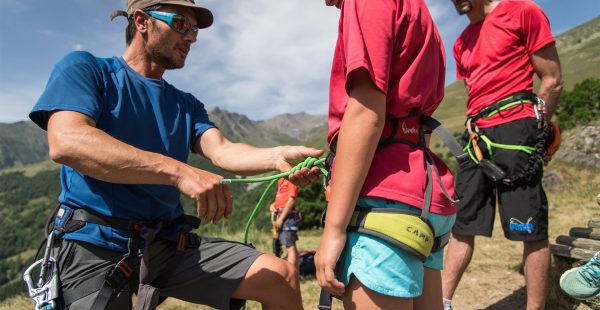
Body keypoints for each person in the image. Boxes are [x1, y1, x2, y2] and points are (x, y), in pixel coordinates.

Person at [27, 0, 323, 309]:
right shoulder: (86, 68)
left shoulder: (186, 104)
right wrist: (180, 172)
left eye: (195, 29)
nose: (192, 37)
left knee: (280, 276)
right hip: (94, 243)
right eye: (182, 24)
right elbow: (67, 140)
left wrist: (277, 157)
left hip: (168, 245)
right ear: (142, 21)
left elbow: (222, 150)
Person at [315, 0, 458, 309]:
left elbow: (366, 112)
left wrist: (334, 229)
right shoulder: (418, 10)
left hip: (384, 199)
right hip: (422, 193)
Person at [441, 1, 564, 310]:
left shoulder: (523, 11)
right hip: (476, 135)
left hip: (516, 129)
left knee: (529, 227)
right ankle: (440, 302)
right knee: (462, 224)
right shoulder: (461, 42)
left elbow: (552, 79)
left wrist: (536, 134)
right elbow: (476, 89)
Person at [269, 179, 302, 268]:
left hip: (288, 217)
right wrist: (273, 205)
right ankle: (291, 271)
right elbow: (282, 196)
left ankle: (292, 274)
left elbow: (291, 200)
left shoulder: (291, 180)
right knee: (281, 243)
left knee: (290, 245)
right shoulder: (281, 180)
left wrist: (281, 219)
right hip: (280, 216)